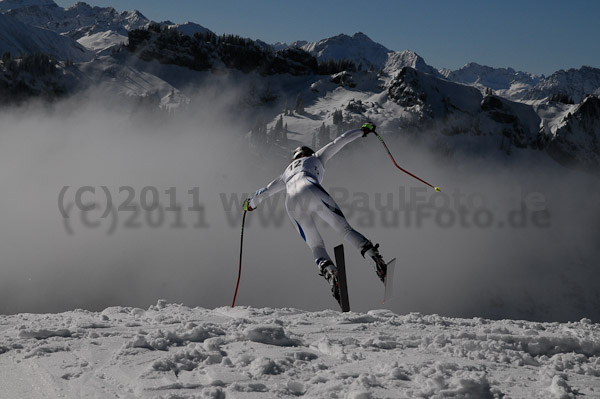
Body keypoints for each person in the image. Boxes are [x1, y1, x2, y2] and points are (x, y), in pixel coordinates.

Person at [243, 122, 388, 306]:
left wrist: (250, 204)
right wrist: (363, 130)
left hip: (291, 203)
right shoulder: (316, 157)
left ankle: (330, 272)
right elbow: (340, 141)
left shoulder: (285, 174)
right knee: (343, 229)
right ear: (308, 153)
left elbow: (264, 192)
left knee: (315, 245)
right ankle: (375, 258)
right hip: (310, 188)